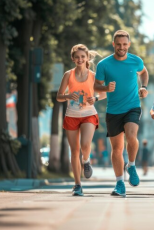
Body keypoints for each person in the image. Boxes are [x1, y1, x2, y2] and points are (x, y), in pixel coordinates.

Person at [94, 30, 149, 197]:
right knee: (116, 148)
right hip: (113, 110)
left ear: (129, 45)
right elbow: (96, 86)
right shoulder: (103, 64)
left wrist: (144, 87)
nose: (121, 47)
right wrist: (105, 88)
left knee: (132, 136)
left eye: (125, 44)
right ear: (113, 44)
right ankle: (119, 183)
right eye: (118, 44)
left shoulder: (136, 61)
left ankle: (131, 165)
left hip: (132, 106)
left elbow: (144, 73)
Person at [57, 44, 106, 196]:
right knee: (74, 150)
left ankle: (86, 161)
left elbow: (103, 94)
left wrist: (95, 98)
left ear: (87, 58)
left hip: (88, 113)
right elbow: (59, 96)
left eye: (82, 57)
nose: (80, 59)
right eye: (77, 57)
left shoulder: (93, 76)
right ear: (73, 58)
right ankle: (77, 185)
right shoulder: (68, 75)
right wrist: (67, 96)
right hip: (71, 115)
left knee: (85, 145)